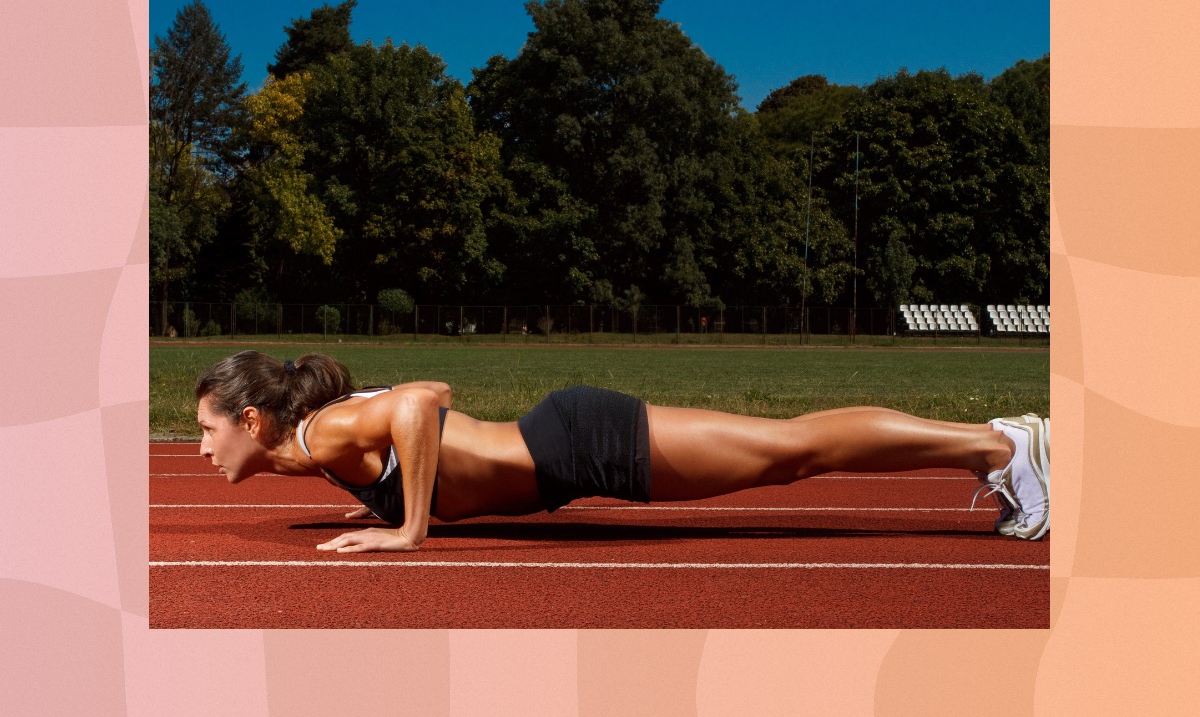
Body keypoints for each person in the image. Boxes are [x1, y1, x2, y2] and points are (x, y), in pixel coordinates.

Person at [193, 350, 1049, 554]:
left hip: (583, 444)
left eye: (208, 426)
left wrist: (408, 524)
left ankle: (997, 445)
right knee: (793, 451)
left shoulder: (319, 435)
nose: (202, 446)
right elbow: (429, 406)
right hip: (573, 450)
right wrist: (380, 499)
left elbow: (421, 402)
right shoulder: (320, 449)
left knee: (792, 451)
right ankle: (992, 444)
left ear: (255, 420)